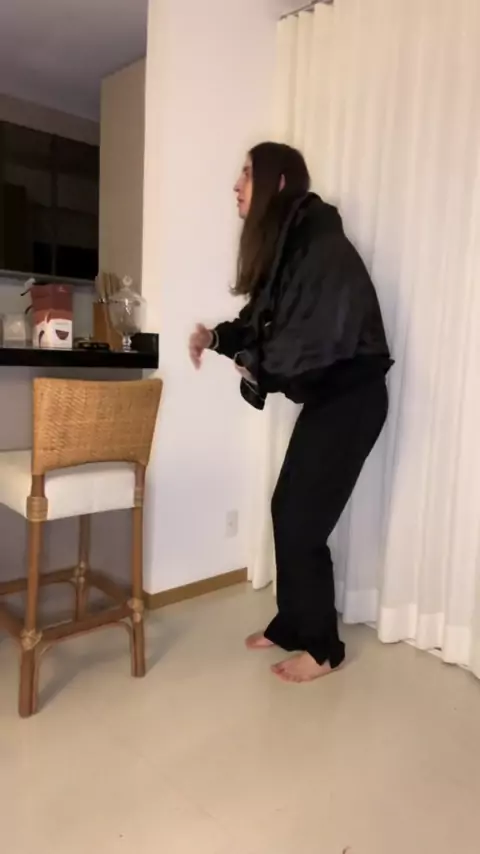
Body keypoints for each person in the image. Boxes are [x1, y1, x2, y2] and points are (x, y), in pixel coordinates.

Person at [189, 142, 392, 684]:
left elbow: (310, 338)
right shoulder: (290, 246)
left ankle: (324, 649)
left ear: (279, 183)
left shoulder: (319, 243)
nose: (236, 185)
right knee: (288, 508)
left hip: (354, 398)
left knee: (304, 520)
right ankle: (292, 623)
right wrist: (218, 338)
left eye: (247, 174)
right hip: (333, 396)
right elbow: (261, 320)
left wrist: (257, 364)